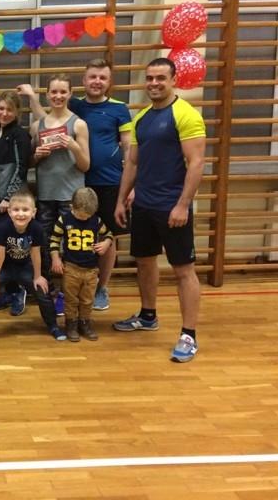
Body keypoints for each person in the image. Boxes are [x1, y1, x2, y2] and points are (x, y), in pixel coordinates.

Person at [113, 58, 206, 363]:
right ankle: (148, 315)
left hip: (172, 207)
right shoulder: (142, 118)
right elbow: (133, 162)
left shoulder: (185, 114)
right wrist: (121, 200)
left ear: (173, 80)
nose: (154, 83)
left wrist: (182, 204)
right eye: (150, 78)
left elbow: (196, 163)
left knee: (183, 270)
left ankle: (188, 335)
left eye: (161, 78)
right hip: (143, 204)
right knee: (144, 261)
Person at [66, 59, 132, 311]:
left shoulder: (119, 109)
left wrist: (131, 185)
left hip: (109, 182)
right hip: (77, 182)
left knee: (107, 237)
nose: (97, 81)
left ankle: (101, 288)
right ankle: (73, 286)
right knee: (74, 235)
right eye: (92, 77)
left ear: (109, 82)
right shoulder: (74, 105)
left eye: (102, 77)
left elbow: (129, 148)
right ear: (84, 80)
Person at [0, 190, 66, 346]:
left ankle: (53, 326)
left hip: (24, 266)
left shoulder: (36, 228)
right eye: (16, 210)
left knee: (42, 289)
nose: (21, 214)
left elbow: (35, 254)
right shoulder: (3, 228)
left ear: (33, 212)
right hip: (3, 266)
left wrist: (38, 276)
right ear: (9, 212)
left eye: (25, 210)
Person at [20, 76, 90, 264]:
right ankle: (45, 280)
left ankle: (71, 281)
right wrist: (37, 156)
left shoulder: (79, 124)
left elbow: (85, 165)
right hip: (46, 194)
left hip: (70, 195)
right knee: (43, 242)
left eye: (63, 92)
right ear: (47, 94)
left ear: (70, 93)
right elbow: (29, 163)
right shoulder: (37, 126)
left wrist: (74, 147)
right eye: (54, 92)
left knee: (72, 244)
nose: (58, 96)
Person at [0, 91, 32, 315]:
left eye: (9, 109)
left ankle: (19, 290)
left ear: (17, 112)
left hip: (9, 200)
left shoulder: (19, 135)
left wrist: (8, 198)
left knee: (14, 246)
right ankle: (7, 290)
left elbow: (21, 168)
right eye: (1, 108)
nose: (4, 113)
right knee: (0, 245)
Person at [49, 187, 113, 342]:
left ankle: (85, 322)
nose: (84, 219)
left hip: (91, 270)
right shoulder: (64, 220)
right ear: (72, 207)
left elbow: (109, 234)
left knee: (87, 299)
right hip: (71, 268)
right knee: (71, 299)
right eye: (81, 215)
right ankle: (71, 324)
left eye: (87, 216)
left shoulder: (96, 221)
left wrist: (106, 243)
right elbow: (54, 240)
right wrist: (56, 259)